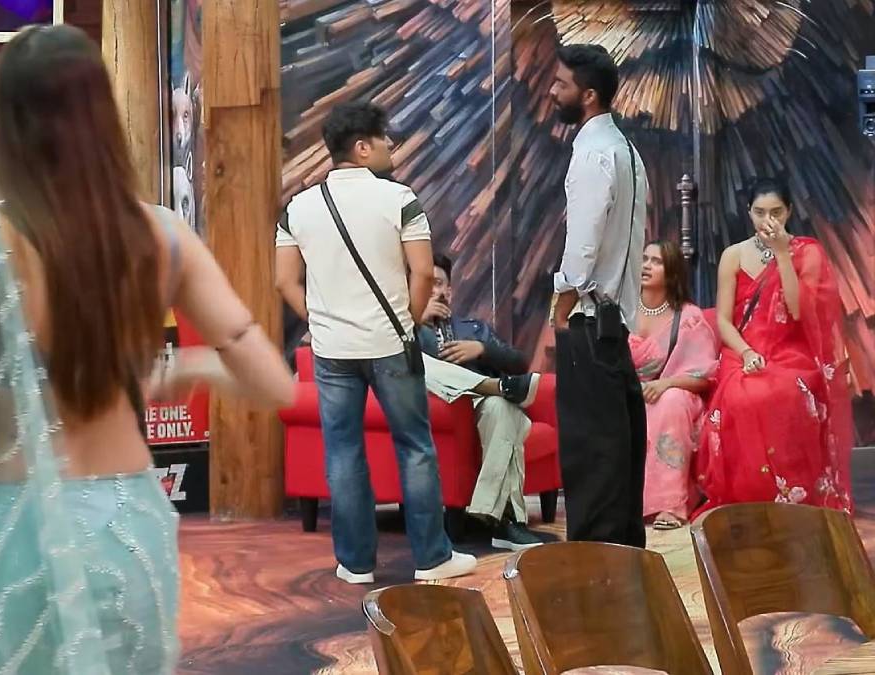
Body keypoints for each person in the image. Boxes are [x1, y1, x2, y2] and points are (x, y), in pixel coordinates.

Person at [0, 25, 295, 673]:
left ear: (8, 126)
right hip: (124, 520)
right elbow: (274, 383)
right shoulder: (162, 234)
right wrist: (193, 365)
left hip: (11, 523)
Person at [275, 101, 479, 585]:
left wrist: (321, 321)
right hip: (391, 344)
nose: (391, 146)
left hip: (332, 352)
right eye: (385, 139)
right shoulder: (399, 199)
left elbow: (284, 281)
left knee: (343, 453)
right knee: (415, 448)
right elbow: (424, 272)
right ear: (363, 147)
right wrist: (408, 321)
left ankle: (355, 563)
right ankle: (431, 558)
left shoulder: (299, 208)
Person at [695, 178, 852, 515]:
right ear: (748, 212)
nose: (769, 219)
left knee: (786, 393)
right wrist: (747, 352)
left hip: (791, 351)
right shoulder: (733, 255)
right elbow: (724, 321)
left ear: (789, 211)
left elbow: (797, 311)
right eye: (760, 212)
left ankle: (791, 501)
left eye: (777, 212)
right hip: (742, 349)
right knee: (741, 397)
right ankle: (747, 497)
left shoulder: (808, 252)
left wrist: (782, 254)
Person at [548, 43, 649, 547]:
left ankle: (595, 564)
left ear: (588, 95)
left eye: (561, 84)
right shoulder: (627, 151)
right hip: (615, 322)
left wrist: (562, 304)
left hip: (589, 318)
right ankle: (625, 559)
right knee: (620, 449)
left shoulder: (592, 153)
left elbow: (583, 241)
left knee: (592, 455)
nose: (552, 91)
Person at [417, 254, 545, 550]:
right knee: (421, 364)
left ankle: (503, 522)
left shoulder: (474, 329)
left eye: (438, 284)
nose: (433, 291)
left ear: (449, 292)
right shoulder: (403, 332)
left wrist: (482, 349)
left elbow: (519, 362)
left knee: (502, 409)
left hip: (478, 409)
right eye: (425, 284)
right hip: (434, 409)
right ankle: (496, 387)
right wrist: (416, 320)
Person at [630, 241, 718, 529]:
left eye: (656, 262)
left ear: (672, 273)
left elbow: (704, 375)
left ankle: (670, 505)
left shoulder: (689, 317)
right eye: (644, 259)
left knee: (670, 402)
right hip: (628, 392)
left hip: (676, 392)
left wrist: (665, 384)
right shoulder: (622, 310)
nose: (646, 266)